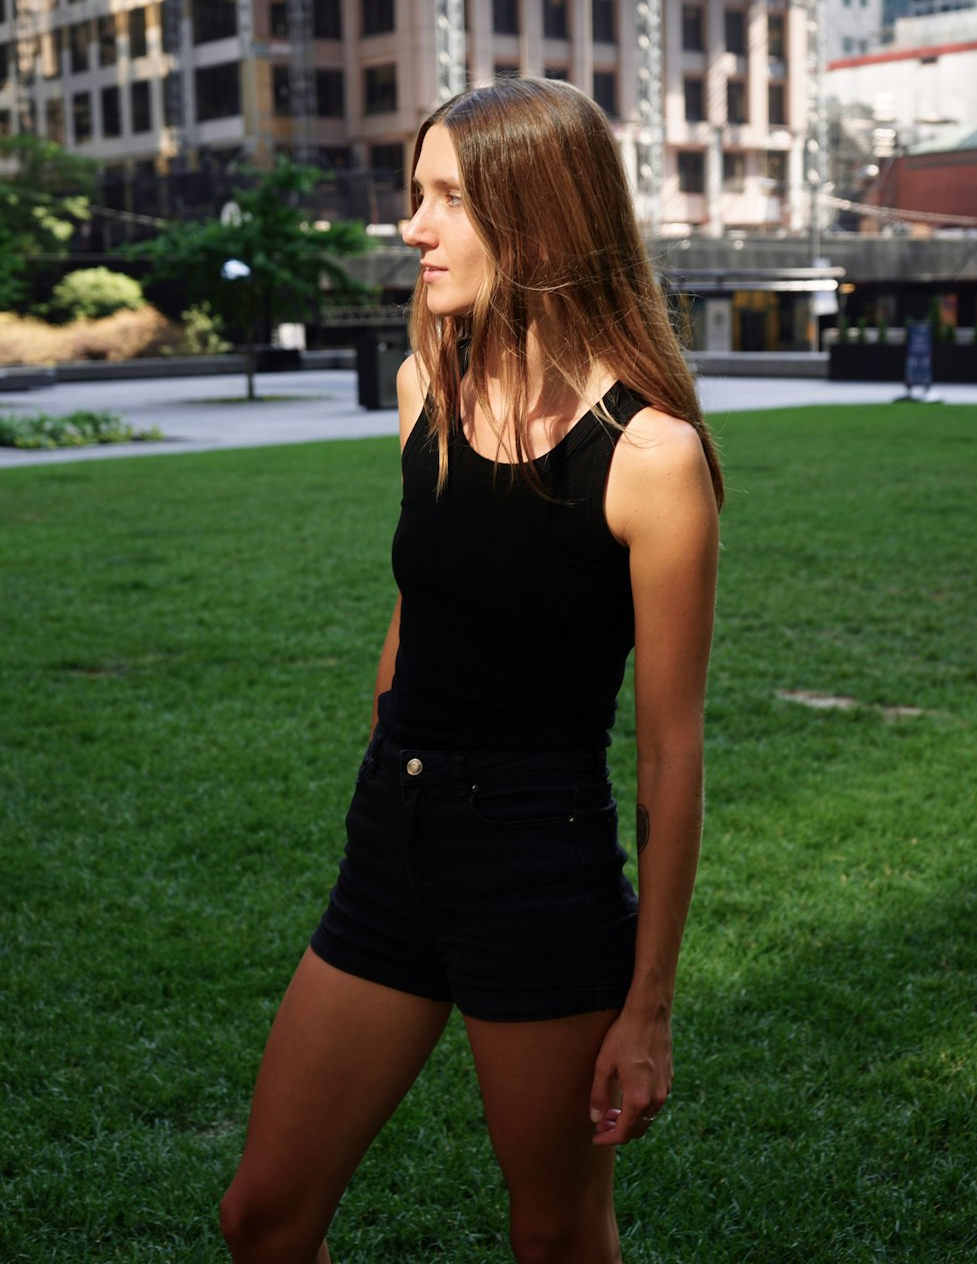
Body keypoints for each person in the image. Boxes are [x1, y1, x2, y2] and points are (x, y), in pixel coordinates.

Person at [220, 77, 722, 1264]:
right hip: (391, 842)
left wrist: (645, 1007)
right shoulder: (425, 392)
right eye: (415, 194)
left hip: (537, 873)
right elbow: (418, 609)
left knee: (554, 1234)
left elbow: (670, 753)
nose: (412, 226)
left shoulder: (652, 459)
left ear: (539, 219)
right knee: (262, 1218)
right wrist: (388, 755)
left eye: (446, 198)